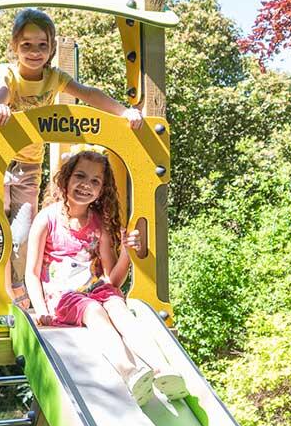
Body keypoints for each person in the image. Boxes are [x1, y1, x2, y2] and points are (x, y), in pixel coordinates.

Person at [0, 8, 144, 306]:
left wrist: (123, 112)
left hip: (28, 166)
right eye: (27, 45)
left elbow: (88, 94)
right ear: (14, 46)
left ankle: (18, 300)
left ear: (52, 47)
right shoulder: (6, 73)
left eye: (42, 45)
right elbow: (2, 92)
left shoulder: (54, 77)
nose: (34, 52)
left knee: (20, 238)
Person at [23, 150, 187, 406]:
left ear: (102, 190)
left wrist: (127, 252)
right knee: (95, 311)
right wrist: (41, 310)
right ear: (65, 178)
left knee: (118, 307)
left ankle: (161, 369)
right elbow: (31, 272)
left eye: (95, 181)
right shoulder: (47, 219)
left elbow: (112, 280)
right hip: (63, 298)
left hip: (95, 290)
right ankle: (130, 372)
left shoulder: (98, 225)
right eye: (79, 176)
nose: (86, 185)